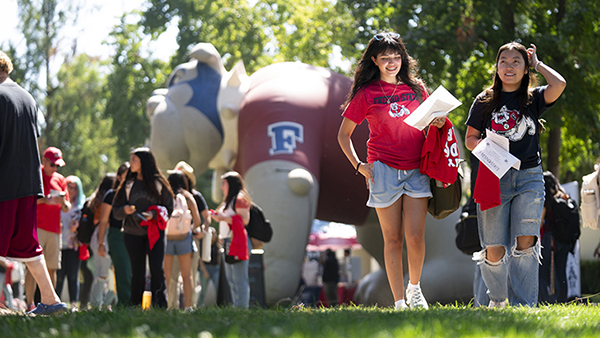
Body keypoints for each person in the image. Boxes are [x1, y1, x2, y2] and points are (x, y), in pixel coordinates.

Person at [337, 32, 445, 310]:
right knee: (393, 239)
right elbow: (343, 135)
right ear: (374, 60)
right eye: (385, 58)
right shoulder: (366, 93)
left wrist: (439, 120)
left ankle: (415, 290)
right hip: (383, 170)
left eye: (396, 57)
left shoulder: (417, 88)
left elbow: (432, 124)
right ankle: (398, 301)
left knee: (415, 236)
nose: (392, 62)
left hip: (417, 168)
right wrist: (359, 166)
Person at [465, 42, 566, 307]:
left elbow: (560, 84)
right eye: (504, 61)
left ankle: (524, 306)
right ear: (497, 68)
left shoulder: (533, 98)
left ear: (525, 69)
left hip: (529, 178)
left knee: (526, 243)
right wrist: (491, 152)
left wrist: (538, 64)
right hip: (494, 178)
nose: (509, 66)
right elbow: (470, 139)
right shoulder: (484, 100)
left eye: (516, 62)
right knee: (494, 249)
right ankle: (497, 301)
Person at [0, 50, 67, 315]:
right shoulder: (26, 97)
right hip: (28, 184)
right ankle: (50, 300)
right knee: (28, 245)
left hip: (4, 184)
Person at [112, 147, 174, 308]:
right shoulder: (128, 183)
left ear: (143, 162)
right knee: (137, 273)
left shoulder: (159, 183)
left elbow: (169, 207)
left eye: (134, 159)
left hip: (155, 233)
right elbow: (116, 210)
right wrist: (124, 210)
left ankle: (160, 306)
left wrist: (154, 215)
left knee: (157, 270)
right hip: (132, 233)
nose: (130, 163)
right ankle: (134, 306)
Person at [25, 146, 71, 309]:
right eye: (53, 164)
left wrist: (62, 202)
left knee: (52, 267)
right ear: (44, 161)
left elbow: (66, 207)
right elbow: (27, 201)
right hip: (36, 228)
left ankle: (50, 303)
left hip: (55, 230)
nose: (55, 168)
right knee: (32, 266)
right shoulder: (35, 174)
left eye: (58, 165)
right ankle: (29, 303)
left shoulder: (60, 179)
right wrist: (43, 200)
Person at [165, 161, 211, 308]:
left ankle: (171, 307)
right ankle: (189, 307)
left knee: (169, 277)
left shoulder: (164, 195)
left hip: (167, 240)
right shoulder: (189, 196)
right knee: (187, 275)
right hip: (185, 239)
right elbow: (198, 221)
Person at [211, 171, 251, 308]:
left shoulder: (239, 199)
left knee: (239, 278)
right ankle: (236, 306)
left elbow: (245, 220)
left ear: (231, 184)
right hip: (227, 242)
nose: (221, 187)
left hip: (238, 242)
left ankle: (242, 308)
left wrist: (221, 218)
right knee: (231, 279)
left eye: (223, 183)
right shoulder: (228, 200)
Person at [97, 162, 132, 307]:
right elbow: (103, 220)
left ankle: (131, 304)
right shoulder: (111, 195)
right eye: (127, 175)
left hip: (133, 235)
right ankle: (124, 305)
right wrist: (100, 243)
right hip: (116, 236)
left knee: (132, 271)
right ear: (119, 177)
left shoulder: (135, 194)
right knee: (122, 270)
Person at [87, 174, 117, 308]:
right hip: (103, 236)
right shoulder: (106, 201)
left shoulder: (95, 199)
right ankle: (97, 304)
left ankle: (102, 303)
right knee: (104, 274)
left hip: (96, 237)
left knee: (102, 273)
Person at [55, 175, 85, 310]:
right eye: (69, 187)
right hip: (59, 244)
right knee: (59, 275)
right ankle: (57, 303)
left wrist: (78, 227)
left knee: (73, 275)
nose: (71, 190)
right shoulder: (58, 203)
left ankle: (73, 304)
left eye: (74, 188)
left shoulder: (81, 205)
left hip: (74, 245)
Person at [197, 227, 221, 307]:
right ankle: (199, 306)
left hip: (215, 269)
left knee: (218, 289)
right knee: (203, 290)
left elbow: (219, 260)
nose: (213, 235)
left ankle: (218, 306)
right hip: (205, 268)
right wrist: (204, 271)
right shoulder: (203, 244)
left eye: (214, 234)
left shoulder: (217, 246)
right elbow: (199, 259)